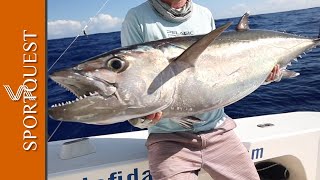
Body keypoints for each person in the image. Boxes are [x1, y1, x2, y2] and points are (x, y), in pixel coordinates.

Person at [121, 0, 280, 179]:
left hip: (218, 129)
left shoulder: (204, 14)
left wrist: (261, 74)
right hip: (168, 138)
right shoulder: (137, 17)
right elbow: (132, 79)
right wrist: (142, 117)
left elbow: (217, 70)